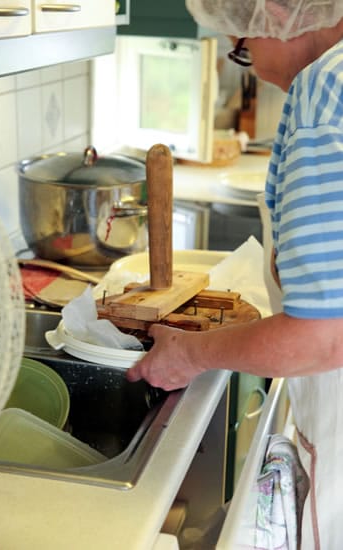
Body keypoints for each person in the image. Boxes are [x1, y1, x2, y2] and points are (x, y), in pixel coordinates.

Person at [126, 0, 343, 547]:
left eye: (241, 41)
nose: (240, 56)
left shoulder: (324, 96)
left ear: (278, 8)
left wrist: (190, 355)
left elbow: (323, 335)